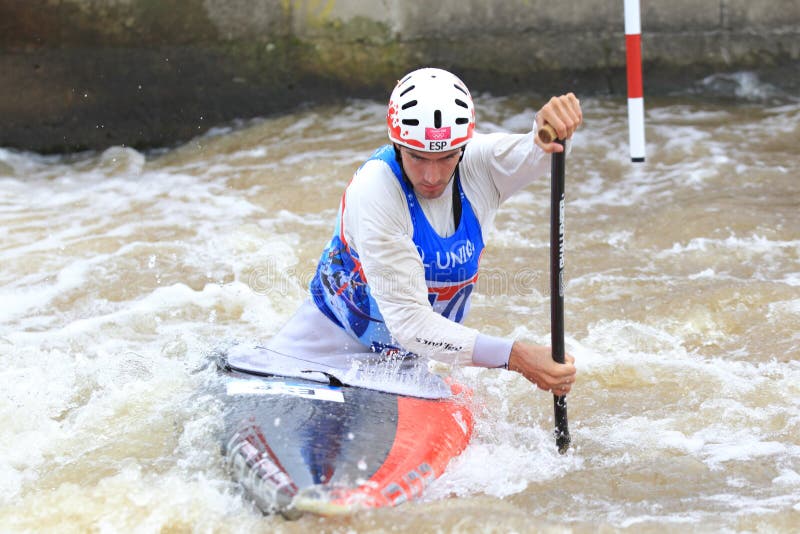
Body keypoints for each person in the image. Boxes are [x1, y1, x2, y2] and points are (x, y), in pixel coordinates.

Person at [267, 67, 579, 397]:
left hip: (399, 373)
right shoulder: (375, 191)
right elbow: (411, 325)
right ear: (397, 145)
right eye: (417, 157)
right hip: (311, 365)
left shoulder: (480, 165)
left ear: (462, 147)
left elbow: (542, 153)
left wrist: (553, 126)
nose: (431, 175)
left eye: (445, 158)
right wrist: (516, 357)